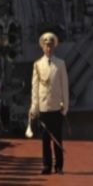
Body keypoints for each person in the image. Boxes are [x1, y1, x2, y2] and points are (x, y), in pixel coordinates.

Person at [30, 31, 69, 174]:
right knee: (45, 139)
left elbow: (64, 86)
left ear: (54, 47)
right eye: (46, 46)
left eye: (51, 45)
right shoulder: (37, 65)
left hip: (56, 107)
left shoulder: (60, 64)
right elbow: (35, 87)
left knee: (57, 138)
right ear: (42, 47)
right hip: (44, 107)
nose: (49, 48)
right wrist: (34, 107)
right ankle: (46, 165)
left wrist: (65, 105)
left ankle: (59, 166)